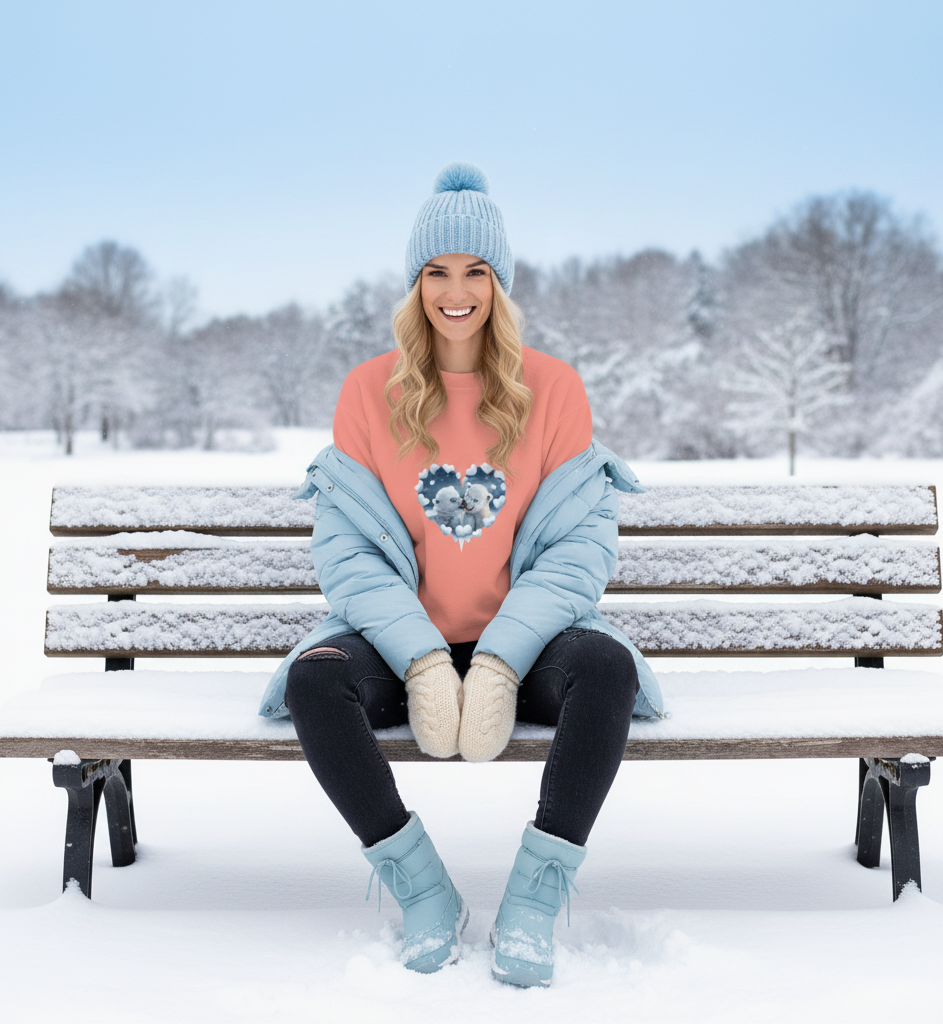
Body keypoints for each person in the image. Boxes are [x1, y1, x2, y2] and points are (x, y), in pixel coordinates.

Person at [258, 163, 663, 988]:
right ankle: (422, 890)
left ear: (499, 284)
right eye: (437, 272)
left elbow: (579, 551)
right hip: (404, 645)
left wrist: (505, 659)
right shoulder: (368, 392)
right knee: (314, 682)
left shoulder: (554, 389)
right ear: (414, 285)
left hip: (531, 644)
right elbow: (347, 553)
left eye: (475, 272)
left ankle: (534, 900)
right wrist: (422, 659)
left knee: (607, 668)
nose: (456, 291)